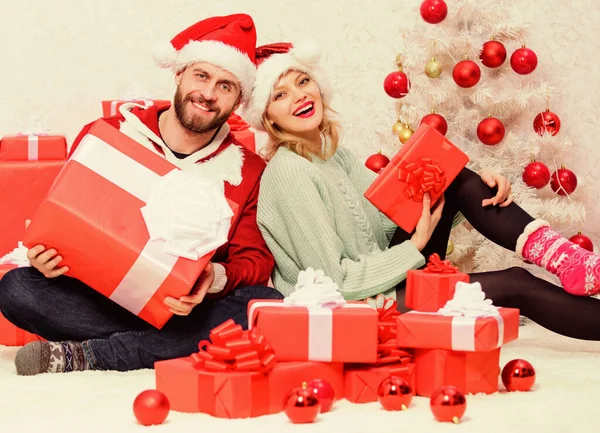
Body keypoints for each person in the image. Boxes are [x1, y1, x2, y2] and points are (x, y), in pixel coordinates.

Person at [245, 41, 600, 341]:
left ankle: (566, 259)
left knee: (454, 177)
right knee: (516, 284)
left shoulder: (335, 154)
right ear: (269, 118)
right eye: (280, 94)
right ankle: (570, 263)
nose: (300, 95)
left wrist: (479, 187)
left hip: (379, 279)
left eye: (303, 81)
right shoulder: (289, 173)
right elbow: (336, 282)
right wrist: (415, 246)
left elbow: (386, 223)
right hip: (353, 309)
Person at [0, 14, 283, 376]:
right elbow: (63, 213)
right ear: (179, 75)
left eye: (226, 86)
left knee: (264, 303)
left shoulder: (249, 170)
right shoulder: (109, 133)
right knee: (17, 289)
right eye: (201, 75)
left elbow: (255, 261)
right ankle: (166, 347)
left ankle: (93, 356)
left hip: (183, 308)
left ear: (237, 99)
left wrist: (212, 277)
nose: (209, 94)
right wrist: (45, 259)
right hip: (99, 297)